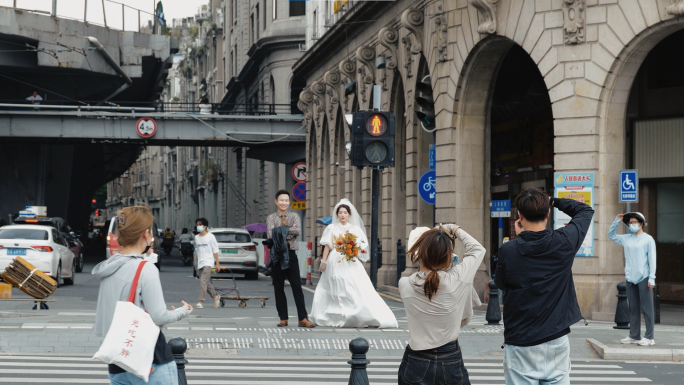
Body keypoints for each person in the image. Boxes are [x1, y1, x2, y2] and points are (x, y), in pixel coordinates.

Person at [494, 188, 594, 385]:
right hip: (556, 338)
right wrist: (552, 200)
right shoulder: (564, 242)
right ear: (548, 214)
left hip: (521, 339)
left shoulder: (509, 250)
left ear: (519, 217)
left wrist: (521, 238)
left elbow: (501, 282)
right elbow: (585, 211)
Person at [92, 205, 192, 385]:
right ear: (146, 234)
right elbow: (159, 316)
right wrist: (183, 311)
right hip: (150, 359)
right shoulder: (146, 269)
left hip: (118, 359)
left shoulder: (108, 267)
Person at [397, 224, 485, 385]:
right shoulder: (457, 279)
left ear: (419, 254)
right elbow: (478, 249)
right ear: (448, 256)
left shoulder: (404, 284)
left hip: (416, 359)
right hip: (450, 357)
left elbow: (427, 280)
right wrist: (454, 229)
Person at [309, 199, 398, 328]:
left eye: (345, 212)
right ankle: (334, 314)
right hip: (335, 259)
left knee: (353, 285)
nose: (343, 215)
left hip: (350, 259)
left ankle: (357, 315)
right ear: (337, 214)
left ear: (349, 214)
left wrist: (354, 252)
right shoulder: (331, 228)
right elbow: (327, 246)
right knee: (334, 284)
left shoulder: (355, 229)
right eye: (340, 212)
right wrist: (324, 261)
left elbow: (362, 245)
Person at [266, 190, 316, 328]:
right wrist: (288, 230)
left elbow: (298, 231)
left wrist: (280, 231)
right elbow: (271, 235)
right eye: (281, 200)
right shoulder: (271, 217)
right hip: (277, 255)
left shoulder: (294, 216)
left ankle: (303, 318)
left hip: (291, 253)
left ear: (289, 202)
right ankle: (283, 318)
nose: (284, 202)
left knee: (297, 287)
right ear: (276, 201)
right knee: (279, 287)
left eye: (286, 200)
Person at [609, 212, 657, 346]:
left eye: (635, 222)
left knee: (647, 308)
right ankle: (634, 335)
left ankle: (649, 337)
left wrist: (652, 278)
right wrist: (616, 221)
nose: (632, 225)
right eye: (630, 222)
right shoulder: (626, 238)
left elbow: (652, 260)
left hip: (644, 277)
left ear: (641, 223)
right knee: (633, 308)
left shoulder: (648, 239)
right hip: (630, 277)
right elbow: (611, 235)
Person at [194, 218, 221, 309]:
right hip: (200, 262)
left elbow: (215, 250)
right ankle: (215, 296)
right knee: (206, 282)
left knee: (203, 281)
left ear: (205, 226)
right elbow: (197, 251)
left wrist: (217, 263)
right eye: (197, 225)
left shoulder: (211, 236)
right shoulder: (196, 238)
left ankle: (200, 301)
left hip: (208, 261)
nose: (198, 226)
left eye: (200, 225)